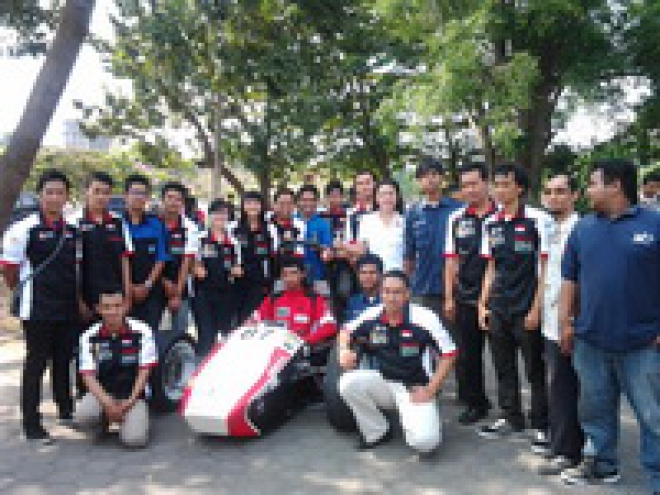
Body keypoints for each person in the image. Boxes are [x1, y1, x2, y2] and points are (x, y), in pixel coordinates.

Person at [559, 159, 660, 492]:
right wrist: (565, 323)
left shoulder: (654, 223)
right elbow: (570, 278)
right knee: (594, 410)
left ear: (615, 185)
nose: (587, 190)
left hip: (642, 343)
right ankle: (604, 465)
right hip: (591, 340)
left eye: (593, 183)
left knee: (653, 416)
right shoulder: (584, 228)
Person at [337, 271, 457, 454]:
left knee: (425, 443)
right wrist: (344, 350)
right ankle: (377, 431)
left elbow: (450, 353)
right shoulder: (372, 315)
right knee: (347, 383)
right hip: (384, 381)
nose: (391, 298)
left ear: (407, 294)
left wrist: (431, 389)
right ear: (381, 293)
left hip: (414, 387)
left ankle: (421, 415)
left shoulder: (425, 318)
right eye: (386, 291)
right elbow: (345, 331)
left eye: (397, 292)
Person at [477, 164, 552, 452]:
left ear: (519, 188)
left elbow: (545, 268)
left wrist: (536, 308)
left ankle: (541, 424)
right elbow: (491, 267)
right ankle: (511, 417)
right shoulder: (490, 223)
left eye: (505, 184)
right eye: (496, 184)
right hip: (499, 307)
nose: (499, 190)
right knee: (503, 365)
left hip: (526, 306)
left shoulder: (537, 220)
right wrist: (482, 304)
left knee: (534, 368)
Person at [1, 169, 79, 443]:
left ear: (67, 196)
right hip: (37, 308)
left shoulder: (72, 229)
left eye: (60, 192)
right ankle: (32, 425)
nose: (55, 197)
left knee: (63, 361)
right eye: (50, 192)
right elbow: (9, 269)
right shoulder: (24, 228)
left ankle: (65, 410)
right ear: (40, 195)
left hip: (67, 306)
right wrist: (21, 290)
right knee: (36, 364)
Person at [533, 173, 583, 476]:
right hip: (550, 321)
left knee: (569, 387)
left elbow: (580, 280)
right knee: (556, 384)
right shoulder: (550, 229)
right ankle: (560, 442)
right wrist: (537, 309)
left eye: (561, 191)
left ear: (575, 195)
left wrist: (570, 320)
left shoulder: (582, 230)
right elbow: (546, 273)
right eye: (549, 191)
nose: (554, 197)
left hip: (570, 323)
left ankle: (571, 451)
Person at [443, 163, 496, 425]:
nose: (470, 190)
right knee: (468, 355)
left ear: (486, 183)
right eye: (465, 185)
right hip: (466, 296)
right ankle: (476, 403)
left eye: (474, 183)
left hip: (500, 298)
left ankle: (512, 410)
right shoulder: (456, 219)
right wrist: (449, 297)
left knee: (504, 357)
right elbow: (451, 260)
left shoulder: (502, 216)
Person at [76, 286, 157, 448]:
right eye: (107, 307)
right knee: (84, 416)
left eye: (117, 306)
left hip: (132, 395)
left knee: (134, 440)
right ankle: (104, 423)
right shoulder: (89, 336)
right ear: (98, 309)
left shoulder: (142, 331)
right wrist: (108, 404)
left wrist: (130, 402)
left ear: (125, 306)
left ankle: (133, 419)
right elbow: (88, 376)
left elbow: (145, 371)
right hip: (103, 393)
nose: (113, 311)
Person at [71, 171, 133, 325]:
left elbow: (125, 260)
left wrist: (128, 297)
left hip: (115, 299)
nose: (101, 197)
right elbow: (73, 265)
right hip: (86, 298)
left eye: (106, 193)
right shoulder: (73, 223)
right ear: (86, 192)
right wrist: (78, 300)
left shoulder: (118, 222)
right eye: (96, 191)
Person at [404, 156, 462, 318]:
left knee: (451, 332)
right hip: (421, 287)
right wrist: (406, 286)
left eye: (434, 174)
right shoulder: (413, 213)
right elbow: (409, 255)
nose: (430, 179)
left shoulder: (458, 210)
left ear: (442, 178)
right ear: (418, 181)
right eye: (424, 176)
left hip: (452, 289)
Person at [192, 199, 243, 357]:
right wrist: (196, 268)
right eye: (217, 213)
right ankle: (201, 365)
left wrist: (238, 270)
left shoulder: (233, 242)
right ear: (210, 215)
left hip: (227, 294)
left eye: (224, 213)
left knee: (225, 335)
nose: (220, 217)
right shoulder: (200, 238)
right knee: (206, 335)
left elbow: (238, 266)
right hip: (204, 294)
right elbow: (191, 263)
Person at [250, 256, 337, 346]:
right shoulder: (273, 299)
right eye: (285, 274)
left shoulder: (315, 299)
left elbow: (329, 325)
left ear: (303, 274)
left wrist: (305, 341)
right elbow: (253, 321)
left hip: (304, 348)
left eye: (293, 273)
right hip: (275, 347)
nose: (289, 278)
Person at [123, 175, 170, 335]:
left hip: (151, 292)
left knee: (149, 336)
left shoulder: (156, 224)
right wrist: (129, 288)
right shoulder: (117, 224)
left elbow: (161, 258)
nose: (138, 197)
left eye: (142, 193)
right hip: (123, 294)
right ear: (126, 195)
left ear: (148, 197)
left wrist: (147, 285)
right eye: (134, 192)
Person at [230, 191, 279, 325]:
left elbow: (274, 257)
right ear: (243, 206)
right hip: (237, 280)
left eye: (256, 203)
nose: (252, 206)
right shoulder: (233, 227)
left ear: (262, 206)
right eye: (248, 203)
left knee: (255, 319)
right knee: (237, 320)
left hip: (260, 282)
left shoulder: (270, 228)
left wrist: (269, 282)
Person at [160, 182, 200, 335]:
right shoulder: (153, 223)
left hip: (181, 289)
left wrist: (177, 294)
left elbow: (187, 261)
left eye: (178, 199)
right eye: (170, 197)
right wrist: (163, 281)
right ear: (163, 199)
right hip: (154, 288)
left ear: (183, 203)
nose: (173, 202)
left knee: (179, 334)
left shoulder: (190, 227)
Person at [353, 179, 405, 272]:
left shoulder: (405, 221)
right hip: (374, 276)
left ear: (397, 197)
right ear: (376, 198)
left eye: (391, 193)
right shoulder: (366, 220)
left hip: (398, 276)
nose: (387, 197)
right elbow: (362, 251)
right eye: (383, 194)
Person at [296, 185, 333, 284]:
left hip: (317, 276)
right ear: (298, 201)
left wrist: (322, 249)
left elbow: (327, 251)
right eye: (304, 200)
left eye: (312, 200)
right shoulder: (292, 220)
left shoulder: (324, 224)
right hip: (292, 277)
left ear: (317, 202)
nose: (308, 203)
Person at [343, 254, 383, 324]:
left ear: (381, 275)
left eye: (372, 272)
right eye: (363, 273)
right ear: (357, 275)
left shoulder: (389, 300)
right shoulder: (353, 302)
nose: (367, 277)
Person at [270, 188, 305, 263]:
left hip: (292, 266)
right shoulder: (266, 224)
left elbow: (299, 252)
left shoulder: (300, 224)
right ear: (274, 205)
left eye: (289, 203)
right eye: (281, 203)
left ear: (294, 205)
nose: (286, 206)